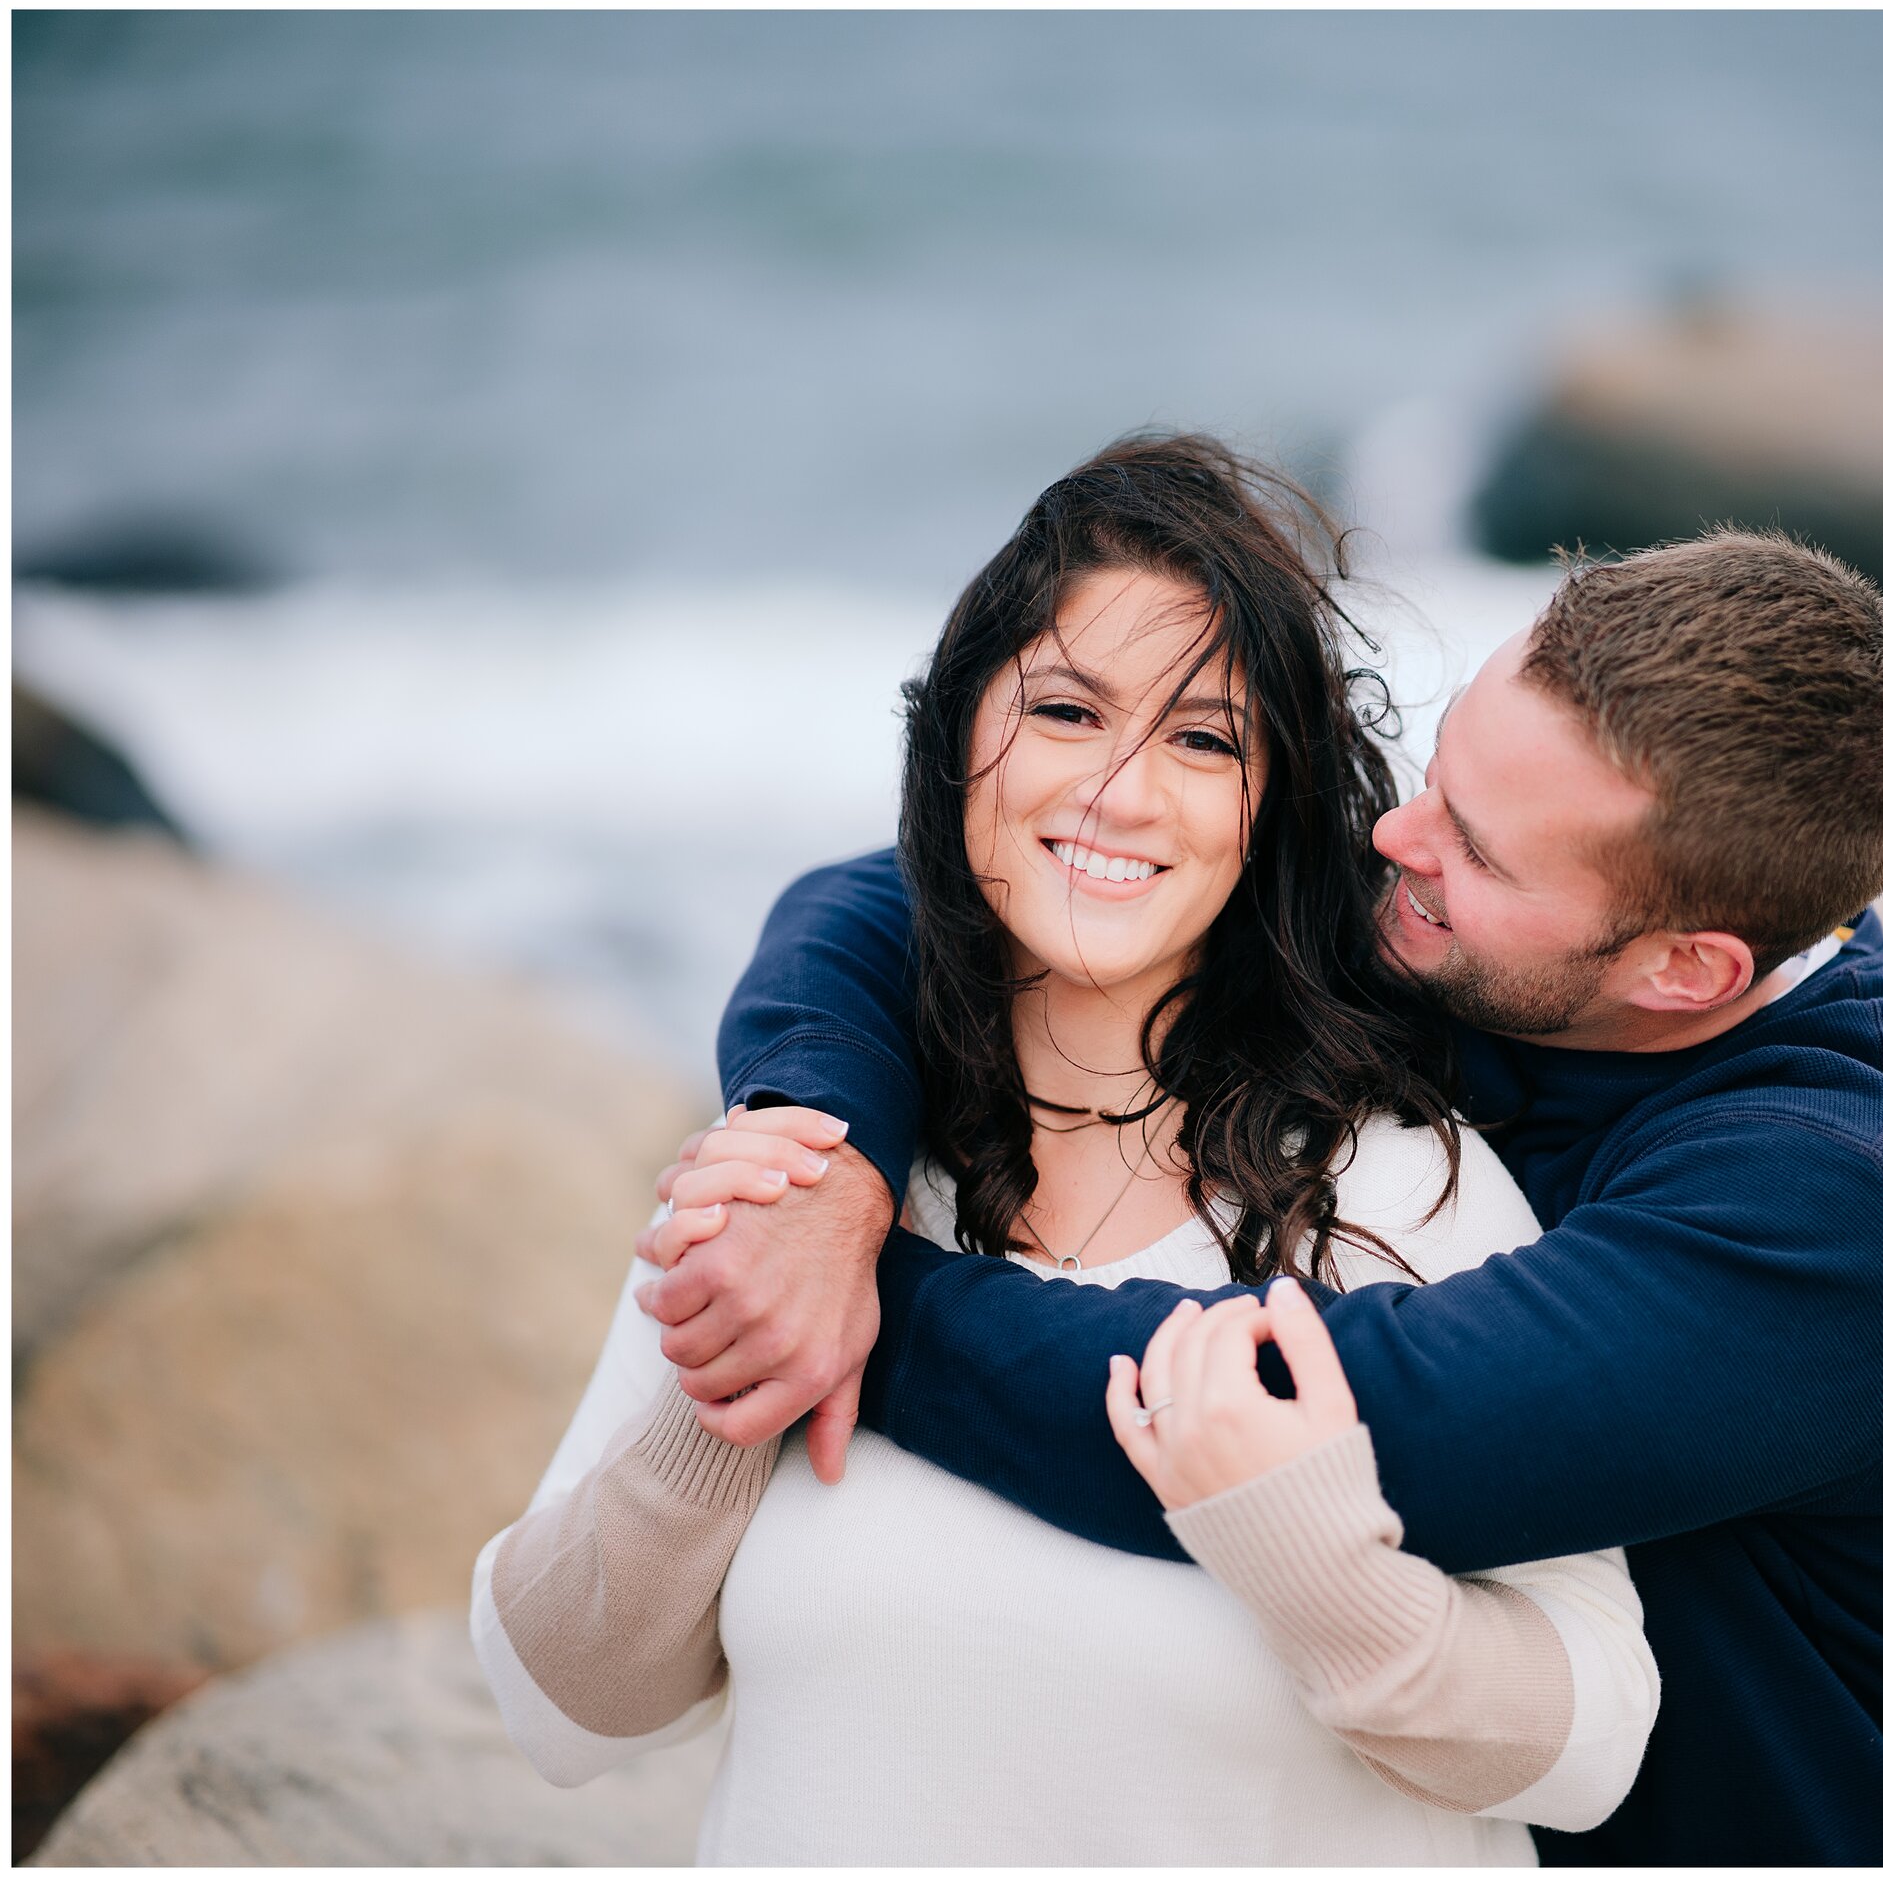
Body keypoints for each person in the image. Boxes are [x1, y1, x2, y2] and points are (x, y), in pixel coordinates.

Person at [641, 520, 1883, 1865]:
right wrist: (815, 1160)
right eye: (1441, 771)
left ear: (1686, 970)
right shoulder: (1462, 903)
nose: (1396, 838)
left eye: (1479, 851)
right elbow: (900, 901)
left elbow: (1281, 1422)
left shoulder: (1851, 1207)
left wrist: (852, 1294)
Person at [471, 435, 1660, 1864]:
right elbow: (565, 1709)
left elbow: (1595, 1749)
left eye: (1205, 739)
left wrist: (1317, 1562)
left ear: (1272, 811)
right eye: (1067, 710)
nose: (1121, 790)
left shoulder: (1403, 1195)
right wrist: (735, 1384)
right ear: (961, 730)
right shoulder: (804, 1172)